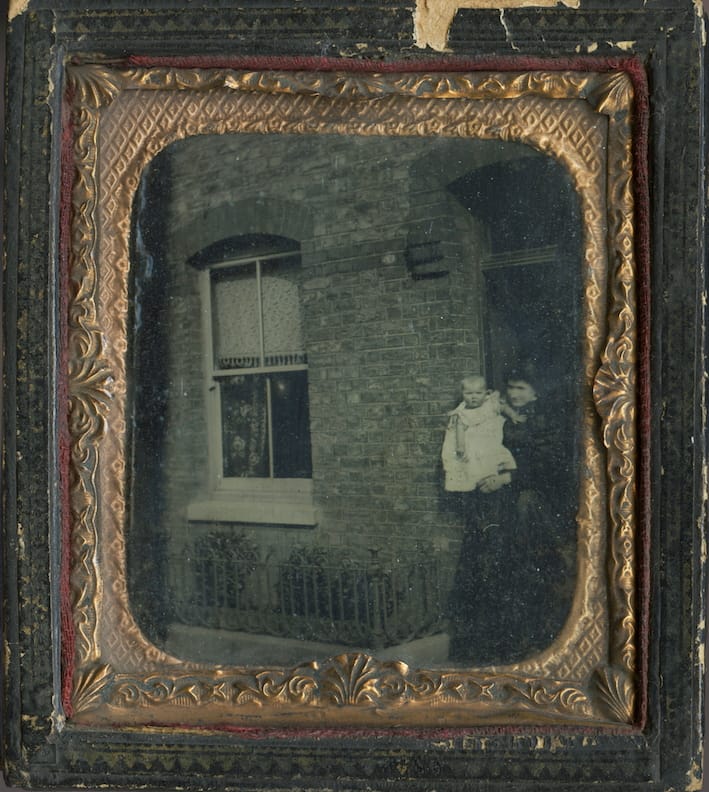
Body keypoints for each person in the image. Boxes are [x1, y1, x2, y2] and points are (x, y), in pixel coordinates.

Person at [447, 368, 576, 665]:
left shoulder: (544, 422)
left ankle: (521, 646)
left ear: (535, 393)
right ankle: (486, 648)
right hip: (492, 506)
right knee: (485, 571)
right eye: (511, 388)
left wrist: (506, 479)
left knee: (519, 572)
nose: (515, 394)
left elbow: (550, 467)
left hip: (525, 508)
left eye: (521, 388)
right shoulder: (497, 416)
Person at [441, 374, 518, 494]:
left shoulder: (490, 404)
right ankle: (476, 486)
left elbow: (503, 408)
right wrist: (460, 447)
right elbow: (459, 430)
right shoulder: (461, 412)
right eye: (469, 393)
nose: (474, 397)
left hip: (489, 442)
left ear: (486, 393)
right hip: (473, 445)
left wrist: (513, 415)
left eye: (478, 393)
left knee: (492, 465)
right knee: (473, 469)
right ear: (462, 394)